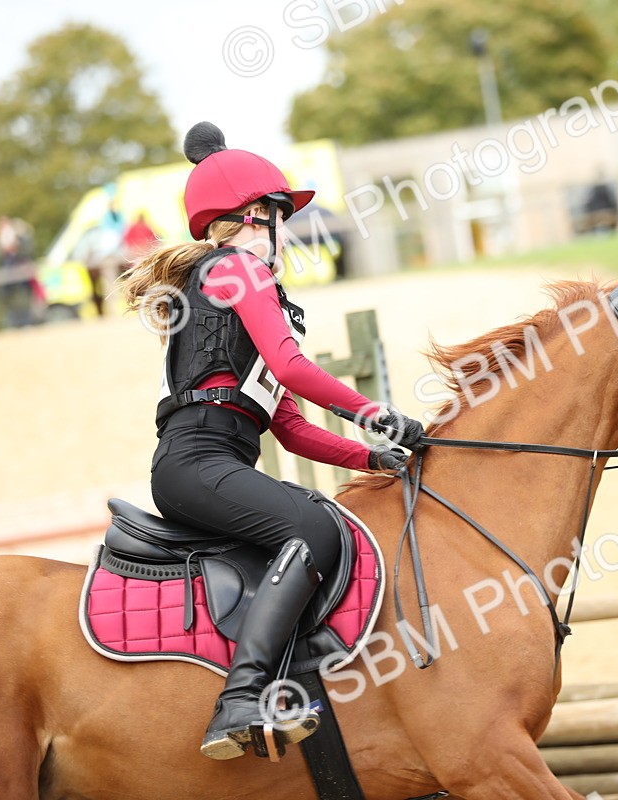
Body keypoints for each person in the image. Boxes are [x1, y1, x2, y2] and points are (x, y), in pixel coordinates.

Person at [120, 121, 426, 761]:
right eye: (283, 217)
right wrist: (378, 414)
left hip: (209, 463)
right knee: (314, 532)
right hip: (198, 462)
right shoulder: (236, 270)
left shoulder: (230, 281)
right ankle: (240, 700)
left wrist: (371, 456)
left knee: (318, 520)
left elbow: (286, 424)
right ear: (259, 216)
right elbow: (291, 369)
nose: (290, 234)